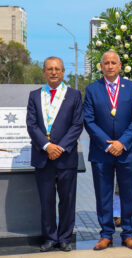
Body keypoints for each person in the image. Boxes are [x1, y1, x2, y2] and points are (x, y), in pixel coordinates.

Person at [83, 50, 132, 250]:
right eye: (106, 63)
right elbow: (89, 120)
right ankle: (106, 234)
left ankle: (128, 234)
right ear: (101, 67)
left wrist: (122, 142)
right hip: (102, 152)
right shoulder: (93, 89)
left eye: (113, 62)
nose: (109, 66)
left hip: (127, 151)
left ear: (120, 66)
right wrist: (108, 144)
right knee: (103, 194)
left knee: (128, 194)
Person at [26, 56, 83, 252]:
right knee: (46, 201)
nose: (53, 72)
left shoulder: (74, 95)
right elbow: (31, 125)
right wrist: (47, 146)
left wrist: (60, 147)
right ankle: (50, 237)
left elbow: (77, 125)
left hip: (66, 157)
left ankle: (65, 238)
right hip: (43, 158)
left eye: (57, 69)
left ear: (63, 72)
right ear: (44, 72)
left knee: (67, 200)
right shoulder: (35, 95)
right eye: (49, 69)